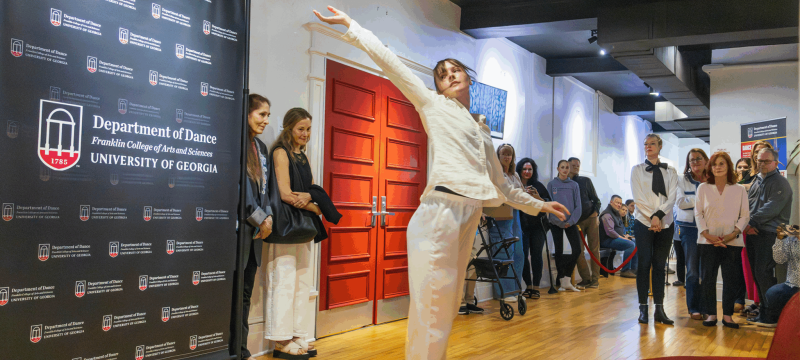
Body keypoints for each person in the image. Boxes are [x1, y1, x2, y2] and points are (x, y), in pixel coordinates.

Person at [313, 7, 569, 360]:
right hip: (440, 214)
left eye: (454, 70)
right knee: (432, 309)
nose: (448, 75)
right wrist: (353, 28)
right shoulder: (433, 105)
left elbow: (503, 188)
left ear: (467, 78)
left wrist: (541, 205)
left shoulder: (481, 130)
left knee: (445, 309)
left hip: (469, 214)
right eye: (441, 74)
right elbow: (392, 64)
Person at [265, 108, 323, 359]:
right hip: (287, 228)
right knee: (284, 283)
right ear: (288, 128)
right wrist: (317, 208)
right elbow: (286, 194)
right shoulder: (280, 152)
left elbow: (307, 190)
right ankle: (280, 341)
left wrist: (311, 198)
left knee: (301, 283)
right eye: (301, 129)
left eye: (309, 129)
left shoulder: (303, 155)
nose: (306, 134)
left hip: (303, 229)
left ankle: (299, 334)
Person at [695, 151, 749, 329]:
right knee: (708, 279)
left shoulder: (739, 189)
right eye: (714, 164)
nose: (717, 167)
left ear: (728, 167)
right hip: (707, 242)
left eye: (721, 164)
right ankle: (711, 314)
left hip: (732, 242)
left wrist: (733, 234)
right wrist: (707, 234)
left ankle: (727, 316)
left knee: (730, 280)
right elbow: (698, 213)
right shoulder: (703, 188)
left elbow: (745, 215)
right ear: (710, 167)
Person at [631, 134, 679, 325]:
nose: (648, 147)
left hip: (665, 223)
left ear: (660, 146)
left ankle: (659, 309)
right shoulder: (637, 170)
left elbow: (672, 197)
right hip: (643, 222)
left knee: (660, 266)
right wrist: (652, 217)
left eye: (652, 144)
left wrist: (659, 215)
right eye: (646, 144)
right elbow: (638, 198)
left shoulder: (671, 171)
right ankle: (643, 308)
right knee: (644, 265)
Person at [240, 94, 274, 360]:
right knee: (235, 295)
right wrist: (259, 217)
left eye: (268, 116)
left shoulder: (261, 148)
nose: (265, 120)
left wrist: (269, 216)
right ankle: (234, 349)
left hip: (256, 236)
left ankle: (242, 349)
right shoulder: (236, 142)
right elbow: (242, 192)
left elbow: (266, 190)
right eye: (261, 114)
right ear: (248, 112)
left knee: (246, 295)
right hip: (240, 233)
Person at [745, 148, 794, 327]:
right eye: (759, 161)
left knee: (764, 273)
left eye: (766, 161)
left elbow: (772, 207)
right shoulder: (756, 181)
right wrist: (747, 224)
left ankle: (773, 316)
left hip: (770, 234)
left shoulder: (781, 183)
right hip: (753, 232)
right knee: (758, 274)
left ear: (775, 163)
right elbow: (748, 206)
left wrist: (750, 222)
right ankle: (764, 312)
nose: (762, 164)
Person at [676, 148, 709, 320]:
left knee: (706, 272)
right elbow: (680, 203)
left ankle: (706, 307)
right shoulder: (681, 179)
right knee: (693, 271)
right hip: (688, 229)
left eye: (698, 159)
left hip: (709, 229)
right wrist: (705, 200)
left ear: (705, 160)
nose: (695, 162)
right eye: (691, 160)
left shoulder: (713, 180)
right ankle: (693, 307)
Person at [491, 144, 526, 302]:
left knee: (518, 252)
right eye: (503, 154)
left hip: (515, 213)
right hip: (502, 215)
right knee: (504, 252)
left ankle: (515, 288)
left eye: (509, 154)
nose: (506, 157)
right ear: (498, 155)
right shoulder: (494, 172)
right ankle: (503, 292)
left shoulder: (515, 174)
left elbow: (520, 192)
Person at [517, 158, 552, 298]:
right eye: (524, 169)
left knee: (537, 255)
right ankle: (528, 286)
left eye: (530, 169)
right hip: (522, 226)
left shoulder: (538, 186)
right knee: (523, 256)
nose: (527, 172)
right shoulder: (515, 185)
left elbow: (547, 205)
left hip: (538, 226)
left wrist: (538, 197)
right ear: (519, 170)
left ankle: (536, 287)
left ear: (533, 171)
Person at [547, 160, 583, 292]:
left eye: (567, 167)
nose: (565, 169)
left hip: (570, 222)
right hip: (556, 223)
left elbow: (578, 205)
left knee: (577, 249)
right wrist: (558, 221)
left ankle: (567, 279)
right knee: (559, 251)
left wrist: (571, 221)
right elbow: (549, 205)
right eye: (562, 167)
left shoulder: (574, 185)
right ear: (558, 168)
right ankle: (561, 281)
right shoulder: (551, 184)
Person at [569, 157, 602, 289]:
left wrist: (596, 213)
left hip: (591, 218)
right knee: (578, 251)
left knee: (594, 250)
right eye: (573, 165)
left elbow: (596, 200)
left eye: (578, 165)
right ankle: (586, 279)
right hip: (576, 221)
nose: (576, 167)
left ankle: (595, 280)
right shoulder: (564, 184)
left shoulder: (585, 180)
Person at [760, 225, 800, 327]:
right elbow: (779, 259)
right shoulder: (791, 240)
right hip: (792, 284)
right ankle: (778, 321)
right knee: (773, 293)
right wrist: (779, 239)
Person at [598, 195, 637, 278]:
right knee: (631, 245)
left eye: (620, 203)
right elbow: (610, 232)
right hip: (607, 240)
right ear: (611, 202)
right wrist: (622, 238)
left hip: (614, 239)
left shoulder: (616, 213)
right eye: (617, 202)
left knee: (636, 243)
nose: (619, 205)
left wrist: (625, 236)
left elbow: (619, 229)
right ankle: (625, 270)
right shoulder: (607, 214)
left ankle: (634, 269)